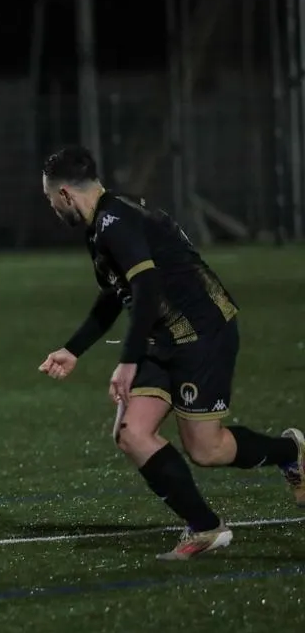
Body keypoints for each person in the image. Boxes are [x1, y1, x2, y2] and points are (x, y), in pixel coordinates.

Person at [37, 145, 304, 560]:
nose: (52, 207)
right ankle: (205, 526)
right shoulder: (102, 225)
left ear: (65, 194)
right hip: (160, 336)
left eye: (50, 199)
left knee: (206, 450)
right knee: (131, 433)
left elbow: (146, 287)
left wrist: (127, 362)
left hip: (202, 332)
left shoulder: (115, 222)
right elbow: (117, 294)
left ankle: (291, 453)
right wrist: (73, 349)